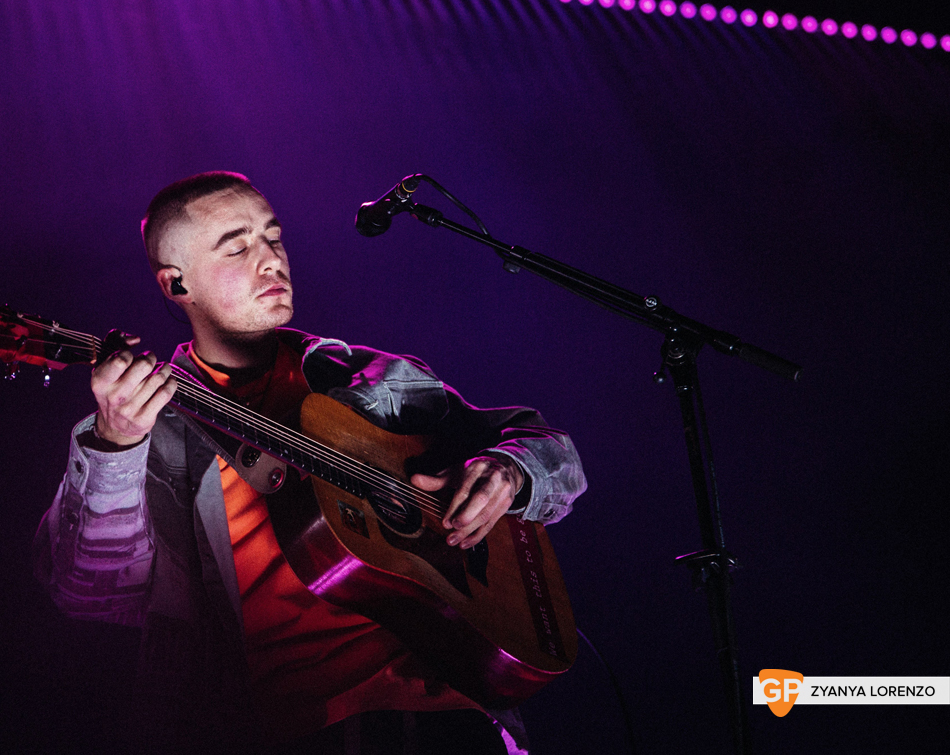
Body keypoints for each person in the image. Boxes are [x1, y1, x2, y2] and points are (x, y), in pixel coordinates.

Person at [34, 172, 586, 755]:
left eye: (273, 236)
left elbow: (547, 447)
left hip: (450, 712)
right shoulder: (149, 423)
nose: (271, 259)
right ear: (176, 284)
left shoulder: (361, 376)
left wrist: (511, 469)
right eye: (238, 245)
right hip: (284, 730)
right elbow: (85, 592)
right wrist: (116, 445)